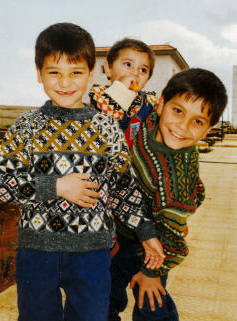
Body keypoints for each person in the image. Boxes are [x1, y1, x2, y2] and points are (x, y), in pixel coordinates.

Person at [0, 23, 164, 321]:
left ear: (92, 72)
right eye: (54, 72)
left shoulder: (107, 128)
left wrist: (146, 232)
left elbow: (122, 189)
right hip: (36, 253)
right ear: (38, 73)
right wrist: (56, 186)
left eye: (76, 72)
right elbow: (3, 184)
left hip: (92, 255)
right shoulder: (26, 125)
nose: (65, 82)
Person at [91, 52, 228, 319]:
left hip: (153, 243)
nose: (182, 126)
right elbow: (112, 104)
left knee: (151, 305)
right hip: (114, 232)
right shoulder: (146, 120)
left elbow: (174, 238)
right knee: (102, 302)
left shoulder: (177, 177)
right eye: (178, 111)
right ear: (161, 103)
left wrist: (151, 273)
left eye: (197, 122)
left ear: (208, 130)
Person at [89, 38, 159, 148]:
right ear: (108, 69)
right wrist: (121, 90)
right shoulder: (100, 96)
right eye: (128, 64)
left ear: (147, 81)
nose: (135, 73)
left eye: (143, 70)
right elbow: (112, 117)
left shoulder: (149, 101)